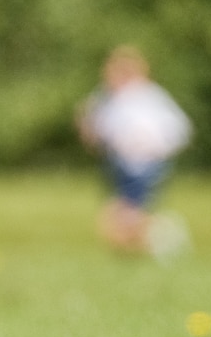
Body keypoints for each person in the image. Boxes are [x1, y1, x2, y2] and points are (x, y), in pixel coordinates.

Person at [76, 48, 192, 255]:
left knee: (125, 212)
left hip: (145, 163)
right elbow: (99, 132)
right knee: (124, 210)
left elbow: (177, 129)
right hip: (121, 163)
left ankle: (163, 236)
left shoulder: (148, 97)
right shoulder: (108, 99)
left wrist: (152, 146)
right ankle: (135, 248)